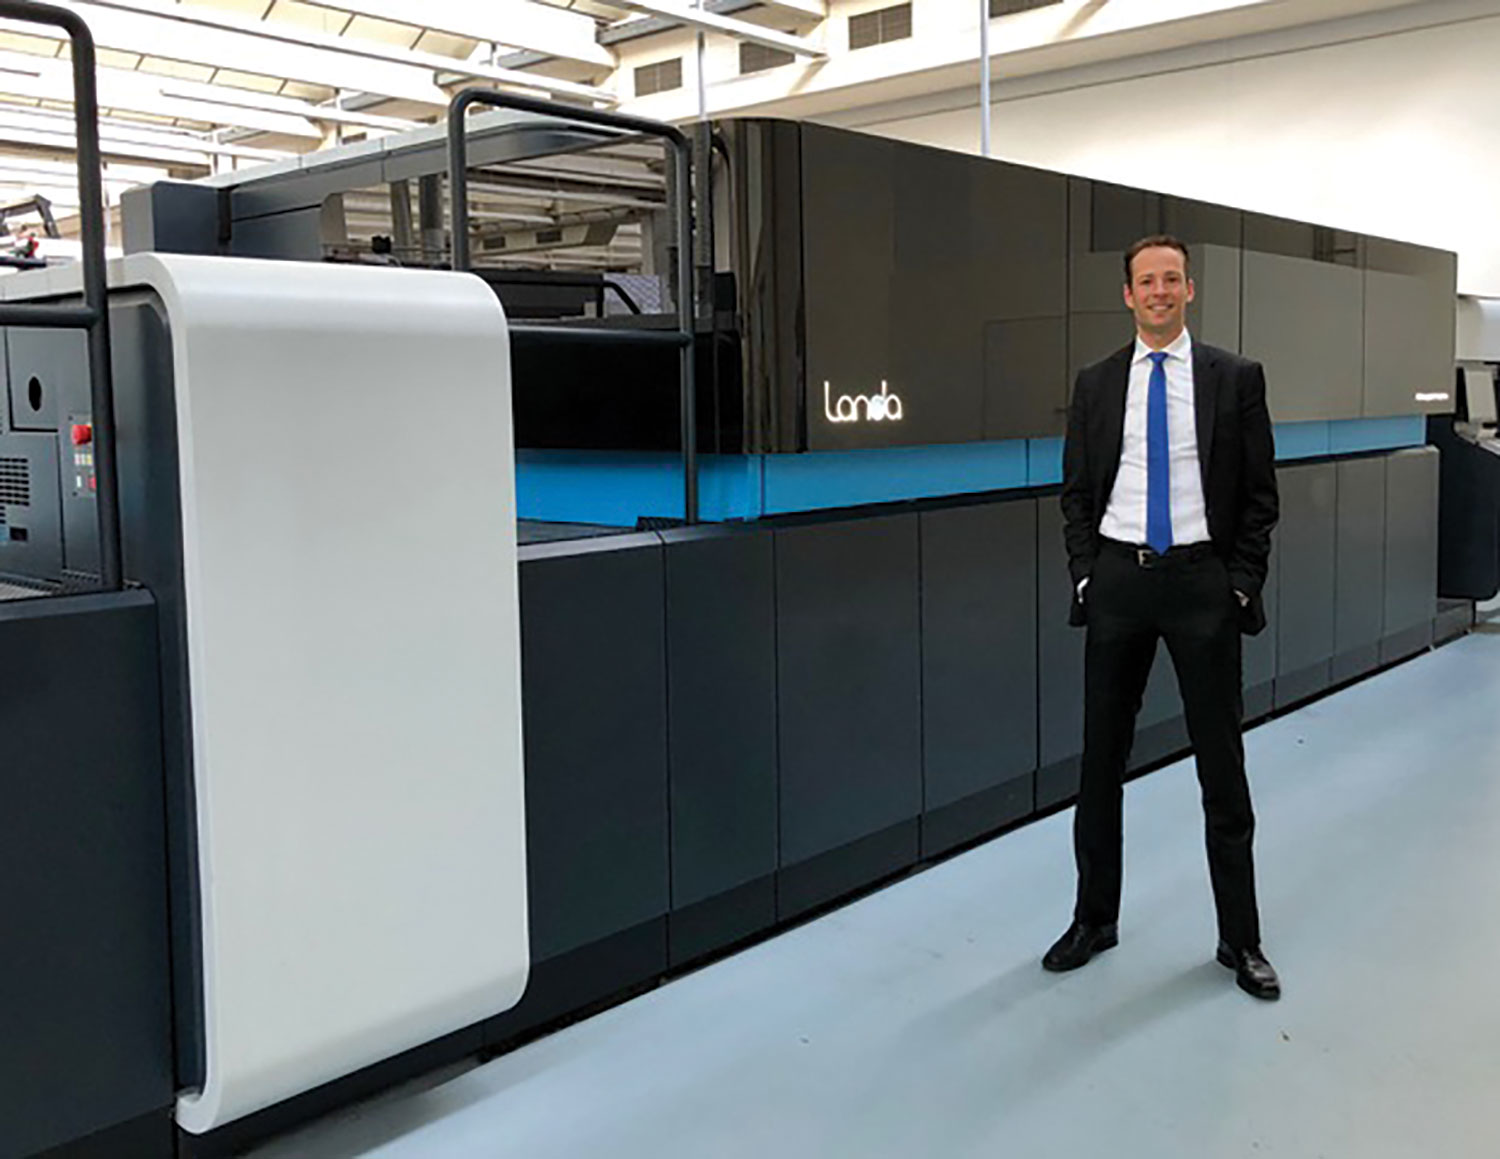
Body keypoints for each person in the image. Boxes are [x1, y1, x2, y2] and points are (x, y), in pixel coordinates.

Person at [1045, 234, 1281, 1000]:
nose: (1158, 291)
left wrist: (1238, 584)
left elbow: (1259, 496)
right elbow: (1076, 493)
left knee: (1222, 766)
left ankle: (1239, 940)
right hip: (1119, 583)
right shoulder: (1095, 382)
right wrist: (1087, 575)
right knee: (1099, 762)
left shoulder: (1235, 378)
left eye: (1171, 279)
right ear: (1127, 294)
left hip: (1200, 585)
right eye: (1145, 281)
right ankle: (1093, 918)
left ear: (1189, 289)